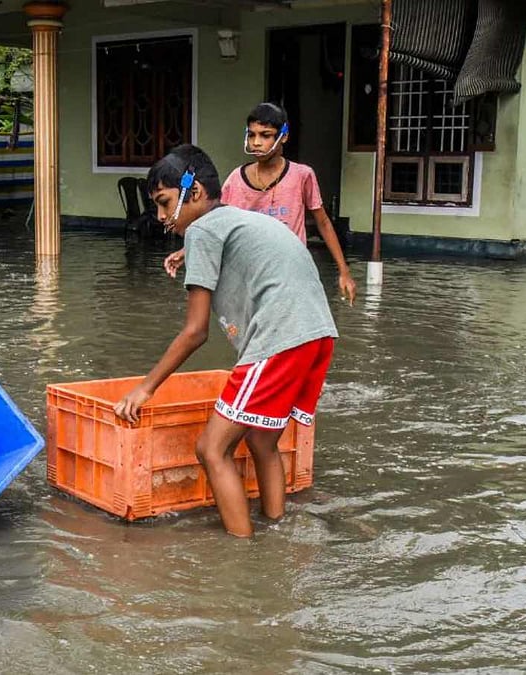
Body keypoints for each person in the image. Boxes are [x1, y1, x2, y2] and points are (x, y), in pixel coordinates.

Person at [114, 145, 339, 538]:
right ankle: (276, 530)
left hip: (281, 339)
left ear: (195, 192)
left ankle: (242, 553)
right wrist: (190, 250)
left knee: (211, 449)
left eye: (165, 203)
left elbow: (195, 331)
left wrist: (145, 388)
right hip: (317, 334)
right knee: (262, 441)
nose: (162, 217)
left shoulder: (202, 231)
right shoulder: (234, 219)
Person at [165, 102, 356, 305]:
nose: (256, 142)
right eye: (252, 135)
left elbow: (323, 222)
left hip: (291, 274)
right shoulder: (236, 180)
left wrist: (344, 271)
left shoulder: (302, 176)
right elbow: (215, 224)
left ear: (283, 136)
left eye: (265, 135)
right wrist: (186, 251)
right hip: (250, 276)